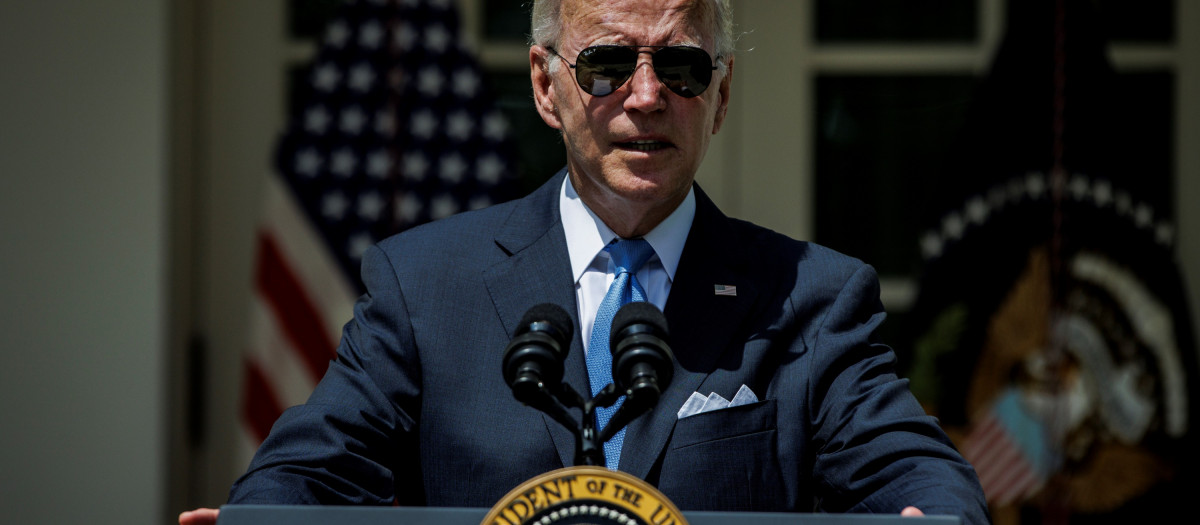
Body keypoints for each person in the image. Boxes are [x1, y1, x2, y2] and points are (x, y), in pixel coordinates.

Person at [181, 0, 990, 524]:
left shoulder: (811, 298)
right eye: (607, 64)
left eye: (680, 66)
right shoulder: (425, 285)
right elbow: (304, 477)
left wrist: (933, 515)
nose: (646, 96)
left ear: (722, 93)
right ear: (545, 86)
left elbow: (923, 477)